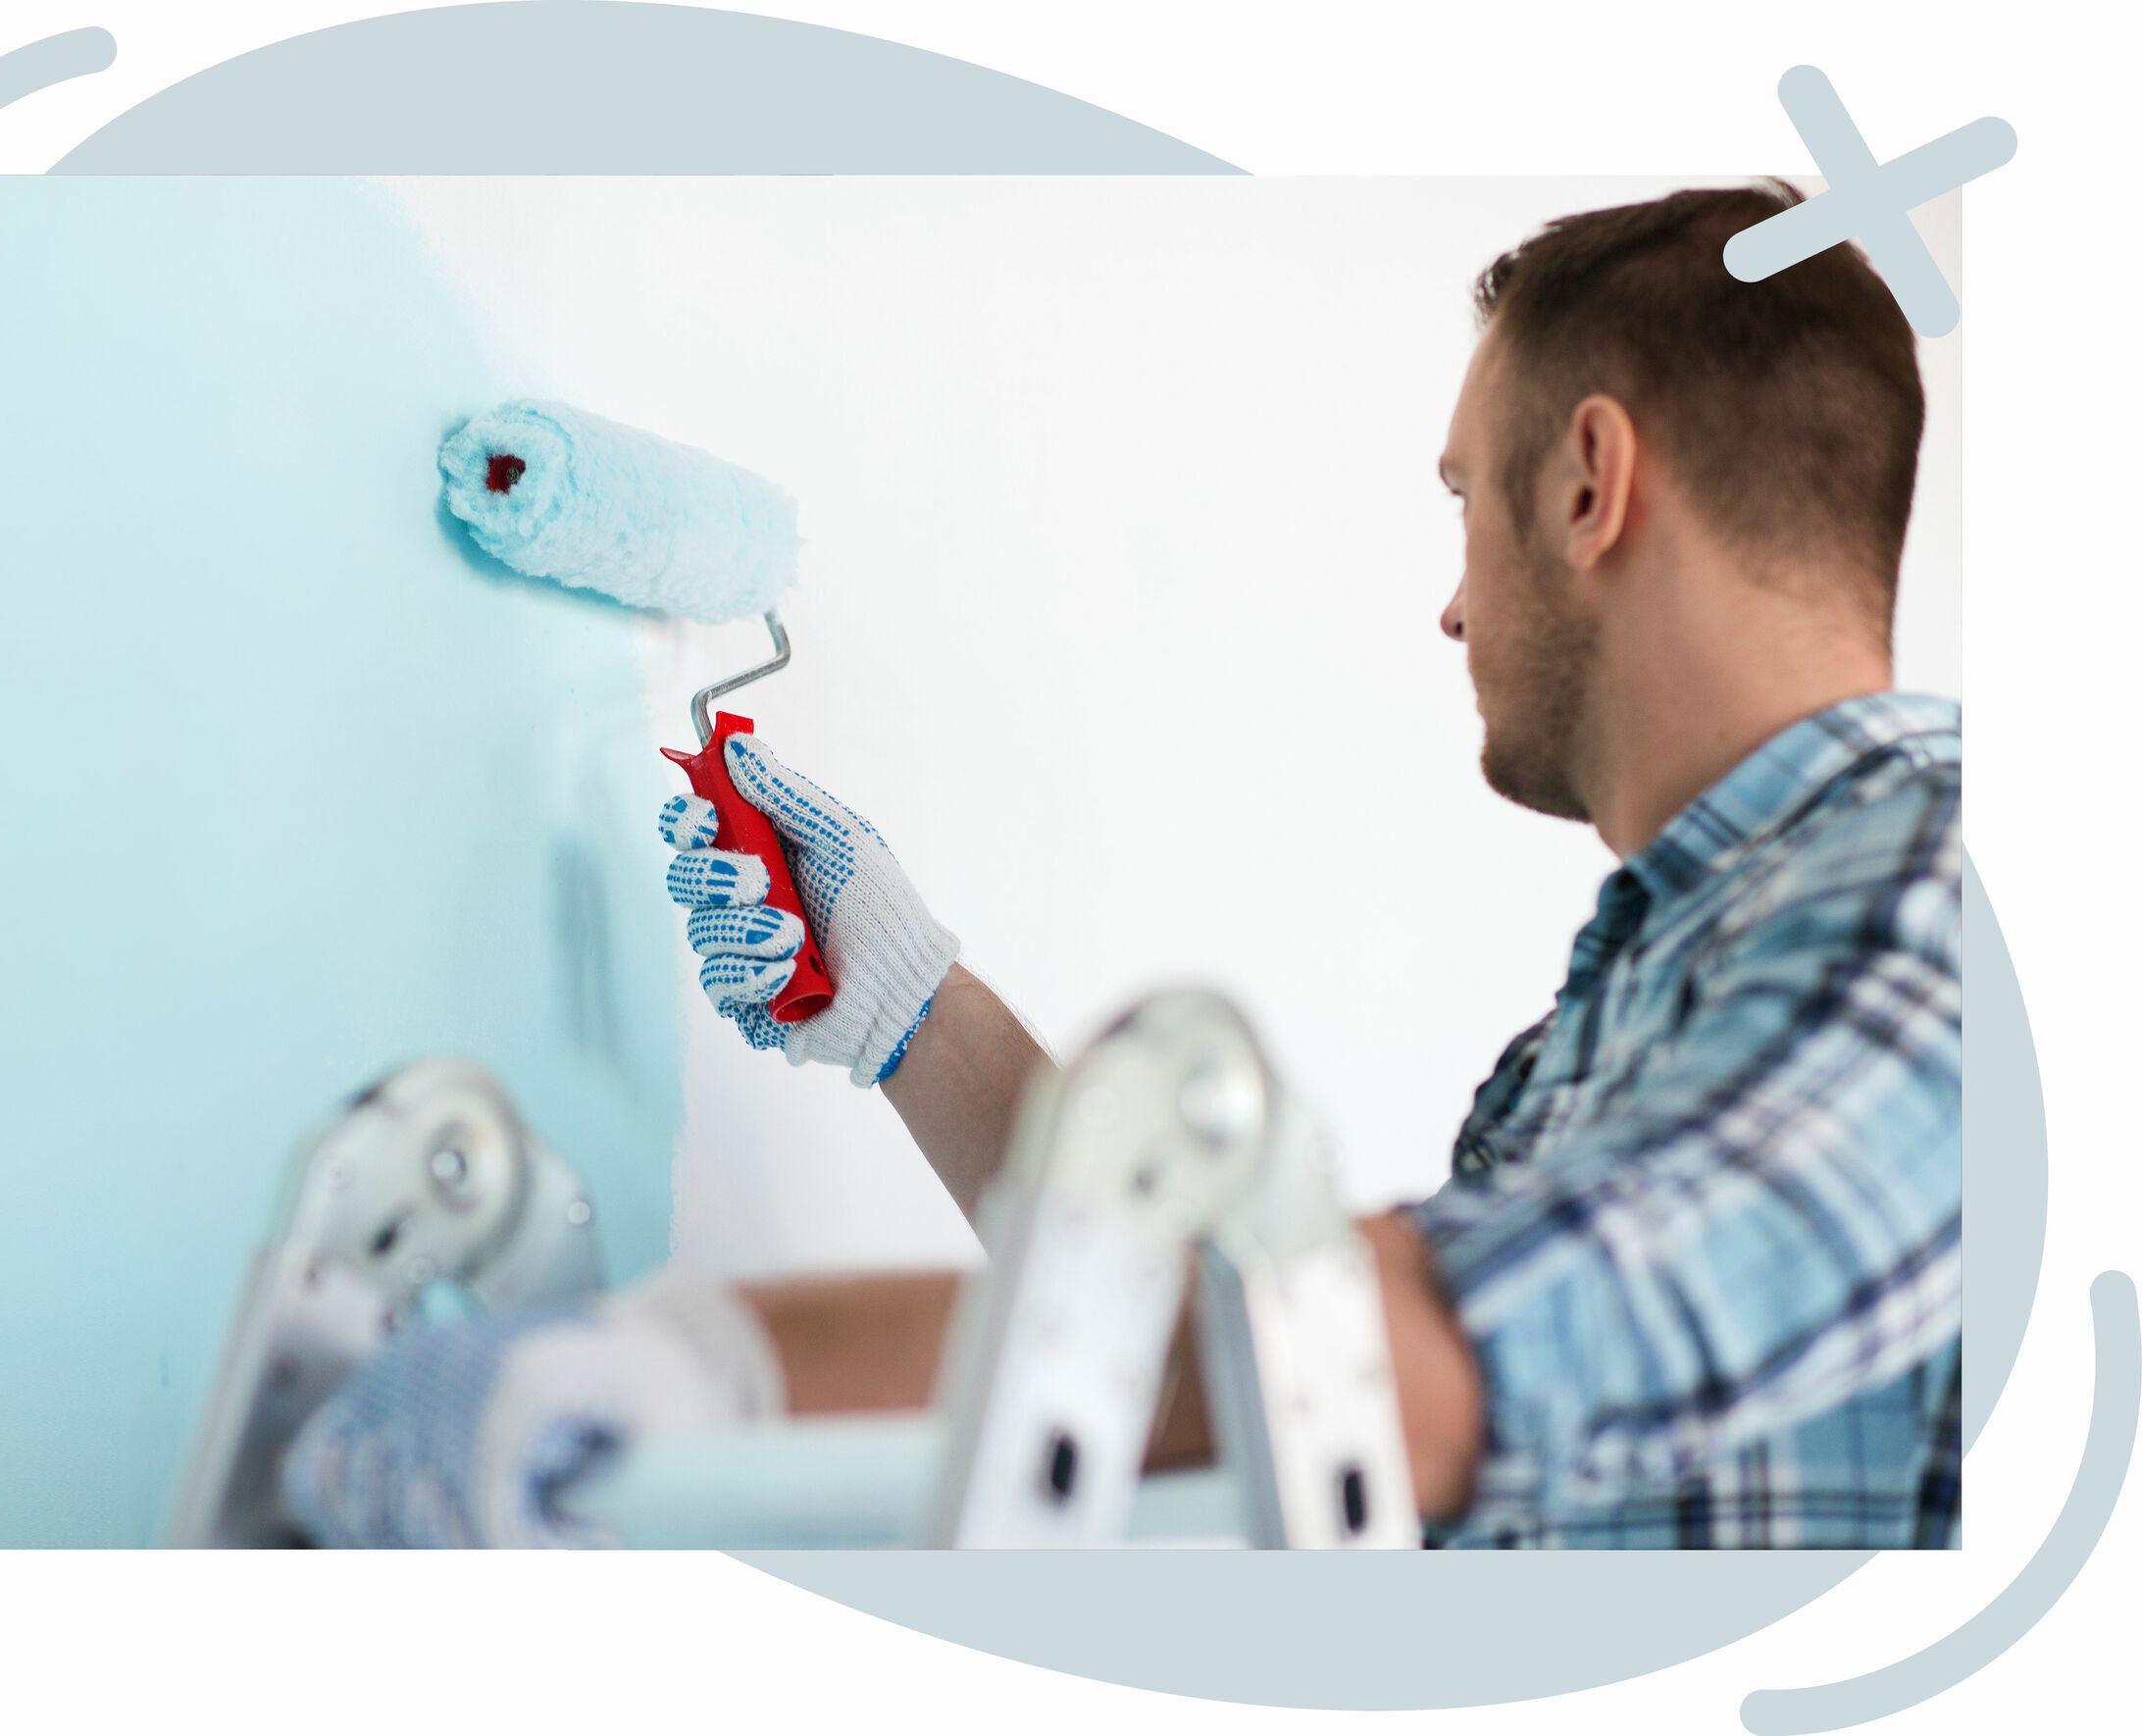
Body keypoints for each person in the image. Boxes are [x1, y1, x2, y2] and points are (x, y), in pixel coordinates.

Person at [283, 181, 1962, 1550]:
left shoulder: (1943, 901)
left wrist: (694, 1367)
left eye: (1466, 503)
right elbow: (1249, 1362)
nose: (1453, 605)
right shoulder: (1663, 991)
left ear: (1591, 483)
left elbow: (1376, 1365)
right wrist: (902, 997)